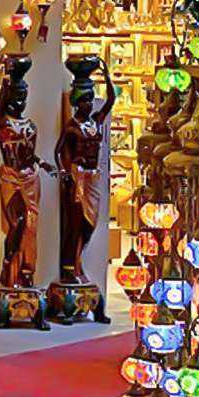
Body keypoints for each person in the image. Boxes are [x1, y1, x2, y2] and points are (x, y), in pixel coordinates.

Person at [0, 55, 56, 290]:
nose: (19, 102)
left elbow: (29, 155)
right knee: (17, 222)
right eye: (15, 97)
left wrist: (44, 164)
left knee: (31, 228)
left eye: (23, 97)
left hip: (30, 178)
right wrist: (5, 77)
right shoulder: (4, 125)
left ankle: (26, 272)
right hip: (11, 178)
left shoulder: (31, 127)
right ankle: (8, 266)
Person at [54, 56, 116, 284]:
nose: (89, 104)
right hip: (78, 175)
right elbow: (58, 150)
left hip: (93, 177)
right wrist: (64, 172)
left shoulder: (96, 121)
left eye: (91, 99)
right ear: (77, 103)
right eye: (85, 100)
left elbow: (111, 100)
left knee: (91, 224)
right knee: (76, 223)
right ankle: (71, 266)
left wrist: (106, 75)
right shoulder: (72, 127)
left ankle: (78, 261)